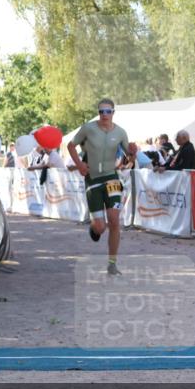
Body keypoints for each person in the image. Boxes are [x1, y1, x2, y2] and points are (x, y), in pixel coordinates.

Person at [67, 97, 136, 276]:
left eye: (108, 111)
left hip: (112, 178)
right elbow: (71, 145)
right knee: (101, 227)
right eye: (101, 111)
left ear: (113, 113)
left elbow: (128, 160)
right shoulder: (88, 129)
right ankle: (94, 227)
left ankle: (112, 264)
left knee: (114, 220)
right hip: (93, 179)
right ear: (98, 113)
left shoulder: (121, 132)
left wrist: (133, 155)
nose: (104, 115)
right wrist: (80, 165)